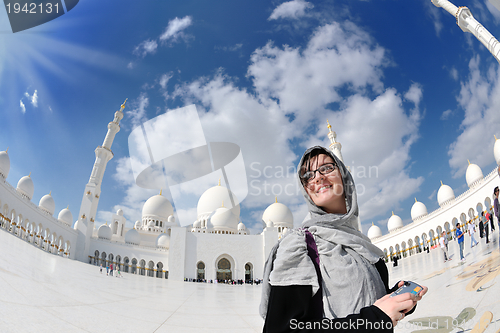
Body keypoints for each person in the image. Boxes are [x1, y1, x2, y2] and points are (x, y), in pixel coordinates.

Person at [260, 146, 427, 332]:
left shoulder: (358, 241)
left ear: (344, 176)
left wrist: (393, 300)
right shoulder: (300, 245)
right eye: (308, 175)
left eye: (326, 168)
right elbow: (281, 329)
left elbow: (366, 300)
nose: (317, 177)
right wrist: (374, 318)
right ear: (306, 189)